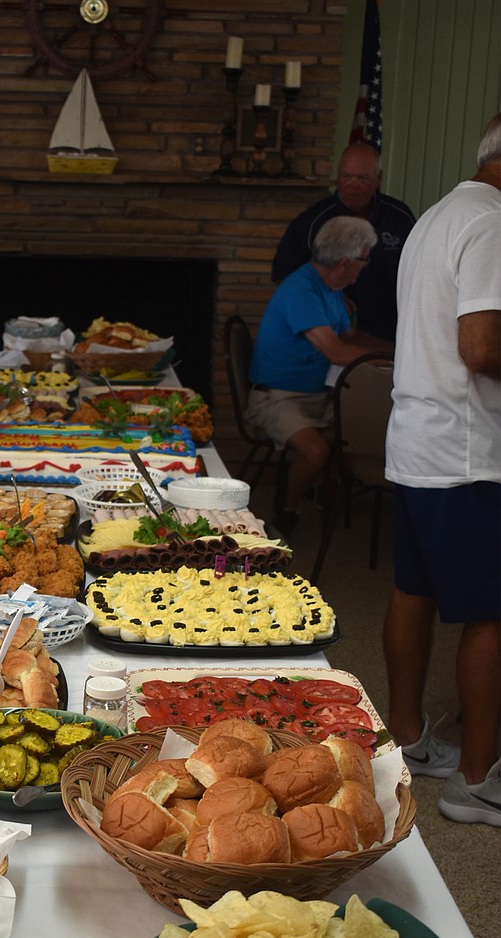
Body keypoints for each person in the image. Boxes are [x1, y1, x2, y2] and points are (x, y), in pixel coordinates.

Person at [382, 113, 501, 827]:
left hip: (417, 440)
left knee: (413, 591)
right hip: (467, 450)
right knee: (491, 613)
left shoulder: (437, 215)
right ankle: (477, 781)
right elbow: (480, 346)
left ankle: (407, 737)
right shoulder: (492, 222)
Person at [245, 215, 392, 538]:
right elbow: (336, 352)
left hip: (319, 395)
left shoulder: (331, 287)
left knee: (360, 431)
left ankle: (321, 487)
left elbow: (350, 337)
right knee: (316, 452)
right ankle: (287, 510)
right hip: (276, 397)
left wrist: (398, 350)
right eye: (364, 260)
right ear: (344, 262)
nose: (364, 267)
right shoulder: (302, 290)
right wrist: (396, 361)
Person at [271, 143, 415, 342]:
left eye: (363, 178)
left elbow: (421, 270)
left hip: (392, 327)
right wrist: (327, 297)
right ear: (338, 175)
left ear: (378, 178)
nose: (353, 185)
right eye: (346, 176)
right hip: (332, 329)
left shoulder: (399, 217)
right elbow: (284, 275)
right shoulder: (313, 221)